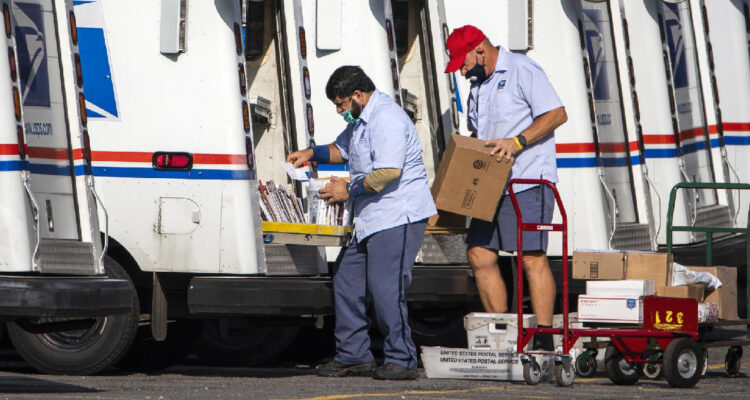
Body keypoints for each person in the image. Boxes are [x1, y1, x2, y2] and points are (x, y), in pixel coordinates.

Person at [287, 66, 437, 379]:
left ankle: (402, 359)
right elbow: (340, 150)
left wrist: (348, 189)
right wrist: (310, 153)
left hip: (398, 216)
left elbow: (387, 173)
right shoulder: (361, 120)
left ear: (358, 95)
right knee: (346, 280)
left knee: (385, 288)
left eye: (341, 105)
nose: (340, 111)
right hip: (370, 219)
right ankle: (353, 355)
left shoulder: (386, 119)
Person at [444, 25, 568, 350]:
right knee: (479, 254)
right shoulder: (478, 87)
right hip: (491, 185)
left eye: (464, 61)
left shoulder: (521, 69)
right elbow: (479, 135)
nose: (462, 68)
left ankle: (544, 338)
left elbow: (557, 114)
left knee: (531, 257)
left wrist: (517, 141)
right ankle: (502, 335)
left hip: (528, 179)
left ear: (480, 50)